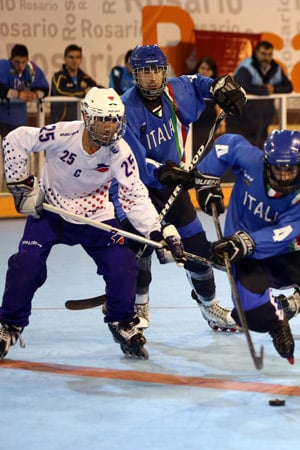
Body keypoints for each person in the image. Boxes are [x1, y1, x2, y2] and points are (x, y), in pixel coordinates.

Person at [0, 87, 184, 360]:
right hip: (50, 211)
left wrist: (158, 230)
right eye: (102, 119)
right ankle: (9, 325)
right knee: (26, 264)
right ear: (86, 116)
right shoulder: (63, 133)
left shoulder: (119, 152)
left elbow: (134, 196)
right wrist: (23, 186)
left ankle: (121, 321)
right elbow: (15, 139)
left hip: (95, 216)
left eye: (114, 120)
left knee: (124, 266)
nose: (109, 128)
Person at [194, 129, 300, 378]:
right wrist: (207, 177)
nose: (285, 176)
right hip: (247, 257)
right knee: (250, 314)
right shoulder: (249, 159)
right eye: (278, 169)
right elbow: (226, 144)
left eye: (292, 169)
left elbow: (284, 232)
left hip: (288, 249)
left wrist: (245, 241)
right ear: (266, 164)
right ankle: (277, 322)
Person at [118, 44, 246, 332]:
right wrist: (164, 172)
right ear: (134, 74)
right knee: (142, 249)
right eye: (144, 72)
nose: (151, 77)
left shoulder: (174, 90)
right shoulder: (126, 109)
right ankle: (139, 306)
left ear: (164, 71)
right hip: (140, 190)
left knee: (198, 252)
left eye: (156, 70)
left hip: (173, 187)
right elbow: (134, 161)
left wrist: (219, 88)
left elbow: (199, 83)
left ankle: (209, 306)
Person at [231, 41, 293, 147]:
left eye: (269, 54)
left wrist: (273, 89)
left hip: (264, 119)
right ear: (256, 53)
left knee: (259, 151)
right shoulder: (246, 67)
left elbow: (289, 87)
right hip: (241, 120)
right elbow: (242, 86)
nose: (266, 57)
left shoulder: (275, 68)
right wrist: (264, 90)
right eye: (263, 54)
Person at [0, 44, 49, 138]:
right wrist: (17, 94)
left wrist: (35, 94)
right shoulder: (3, 66)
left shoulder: (31, 69)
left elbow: (45, 90)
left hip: (20, 120)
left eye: (23, 62)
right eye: (17, 62)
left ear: (27, 60)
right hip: (3, 118)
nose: (20, 66)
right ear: (11, 59)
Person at [49, 44, 102, 122]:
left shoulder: (85, 77)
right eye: (71, 57)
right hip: (61, 122)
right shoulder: (58, 77)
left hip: (81, 122)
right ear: (65, 59)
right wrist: (83, 92)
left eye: (77, 57)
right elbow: (60, 91)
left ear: (81, 59)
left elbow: (98, 88)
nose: (74, 61)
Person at [189, 56, 225, 157]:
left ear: (213, 72)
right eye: (202, 68)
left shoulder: (218, 89)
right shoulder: (188, 84)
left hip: (207, 129)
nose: (204, 71)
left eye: (208, 69)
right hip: (192, 127)